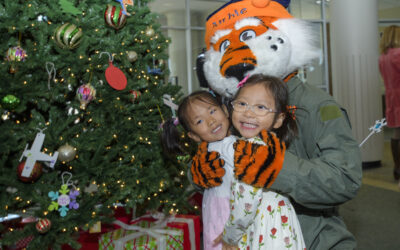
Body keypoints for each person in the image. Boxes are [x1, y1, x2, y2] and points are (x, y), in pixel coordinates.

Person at [190, 1, 363, 249]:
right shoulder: (227, 105)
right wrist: (199, 174)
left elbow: (345, 179)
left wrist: (277, 168)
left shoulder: (314, 104)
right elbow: (208, 157)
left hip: (312, 239)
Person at [161, 77, 306, 249]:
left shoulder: (240, 148)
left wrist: (231, 235)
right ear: (192, 135)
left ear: (224, 110)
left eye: (212, 111)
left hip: (254, 226)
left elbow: (246, 201)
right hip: (245, 222)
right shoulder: (229, 146)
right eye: (199, 121)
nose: (211, 121)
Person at [379, 25, 400, 181]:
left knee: (397, 133)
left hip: (392, 98)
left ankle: (397, 167)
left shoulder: (383, 57)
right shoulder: (397, 54)